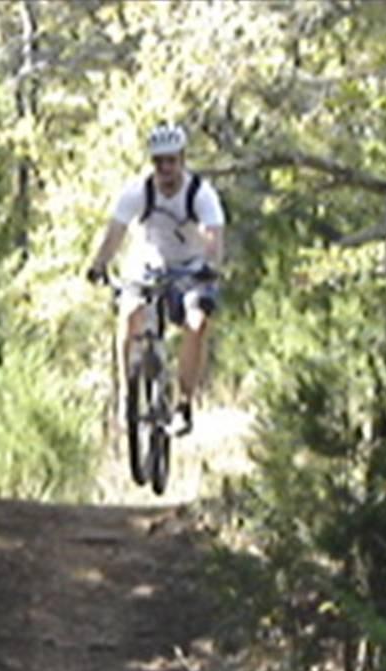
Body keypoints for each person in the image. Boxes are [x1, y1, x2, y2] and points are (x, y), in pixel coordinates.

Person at [86, 122, 226, 437]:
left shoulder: (200, 194)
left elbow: (213, 237)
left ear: (183, 159)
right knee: (129, 313)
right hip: (147, 265)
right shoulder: (138, 192)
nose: (165, 169)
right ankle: (126, 395)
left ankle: (183, 404)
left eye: (171, 161)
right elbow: (115, 233)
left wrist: (210, 265)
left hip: (190, 269)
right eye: (159, 162)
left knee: (197, 322)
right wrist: (99, 265)